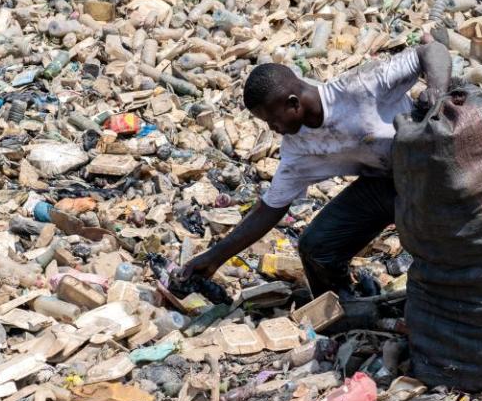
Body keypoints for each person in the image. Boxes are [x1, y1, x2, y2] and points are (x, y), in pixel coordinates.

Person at [177, 41, 452, 300]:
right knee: (316, 247)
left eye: (273, 120)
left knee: (445, 257)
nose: (273, 129)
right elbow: (271, 207)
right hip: (386, 185)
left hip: (432, 173)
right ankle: (343, 310)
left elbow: (431, 50)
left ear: (294, 103)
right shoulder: (298, 147)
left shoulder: (359, 87)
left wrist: (437, 92)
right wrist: (214, 258)